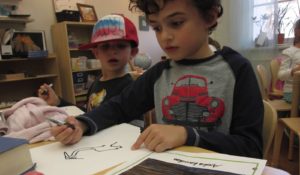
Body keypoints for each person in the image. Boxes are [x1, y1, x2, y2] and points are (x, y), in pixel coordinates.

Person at [51, 0, 263, 159]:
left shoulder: (237, 69)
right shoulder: (160, 72)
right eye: (157, 27)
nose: (164, 37)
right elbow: (119, 106)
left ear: (209, 17)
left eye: (177, 23)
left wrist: (187, 135)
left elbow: (251, 148)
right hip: (165, 170)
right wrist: (82, 123)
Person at [38, 14, 139, 112]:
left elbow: (136, 128)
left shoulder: (131, 90)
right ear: (96, 53)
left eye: (120, 46)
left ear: (133, 52)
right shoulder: (97, 81)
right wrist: (58, 102)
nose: (112, 51)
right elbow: (89, 114)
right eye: (105, 46)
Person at [278, 19, 300, 103]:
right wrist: (293, 70)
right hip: (292, 92)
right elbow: (280, 75)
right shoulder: (289, 51)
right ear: (297, 31)